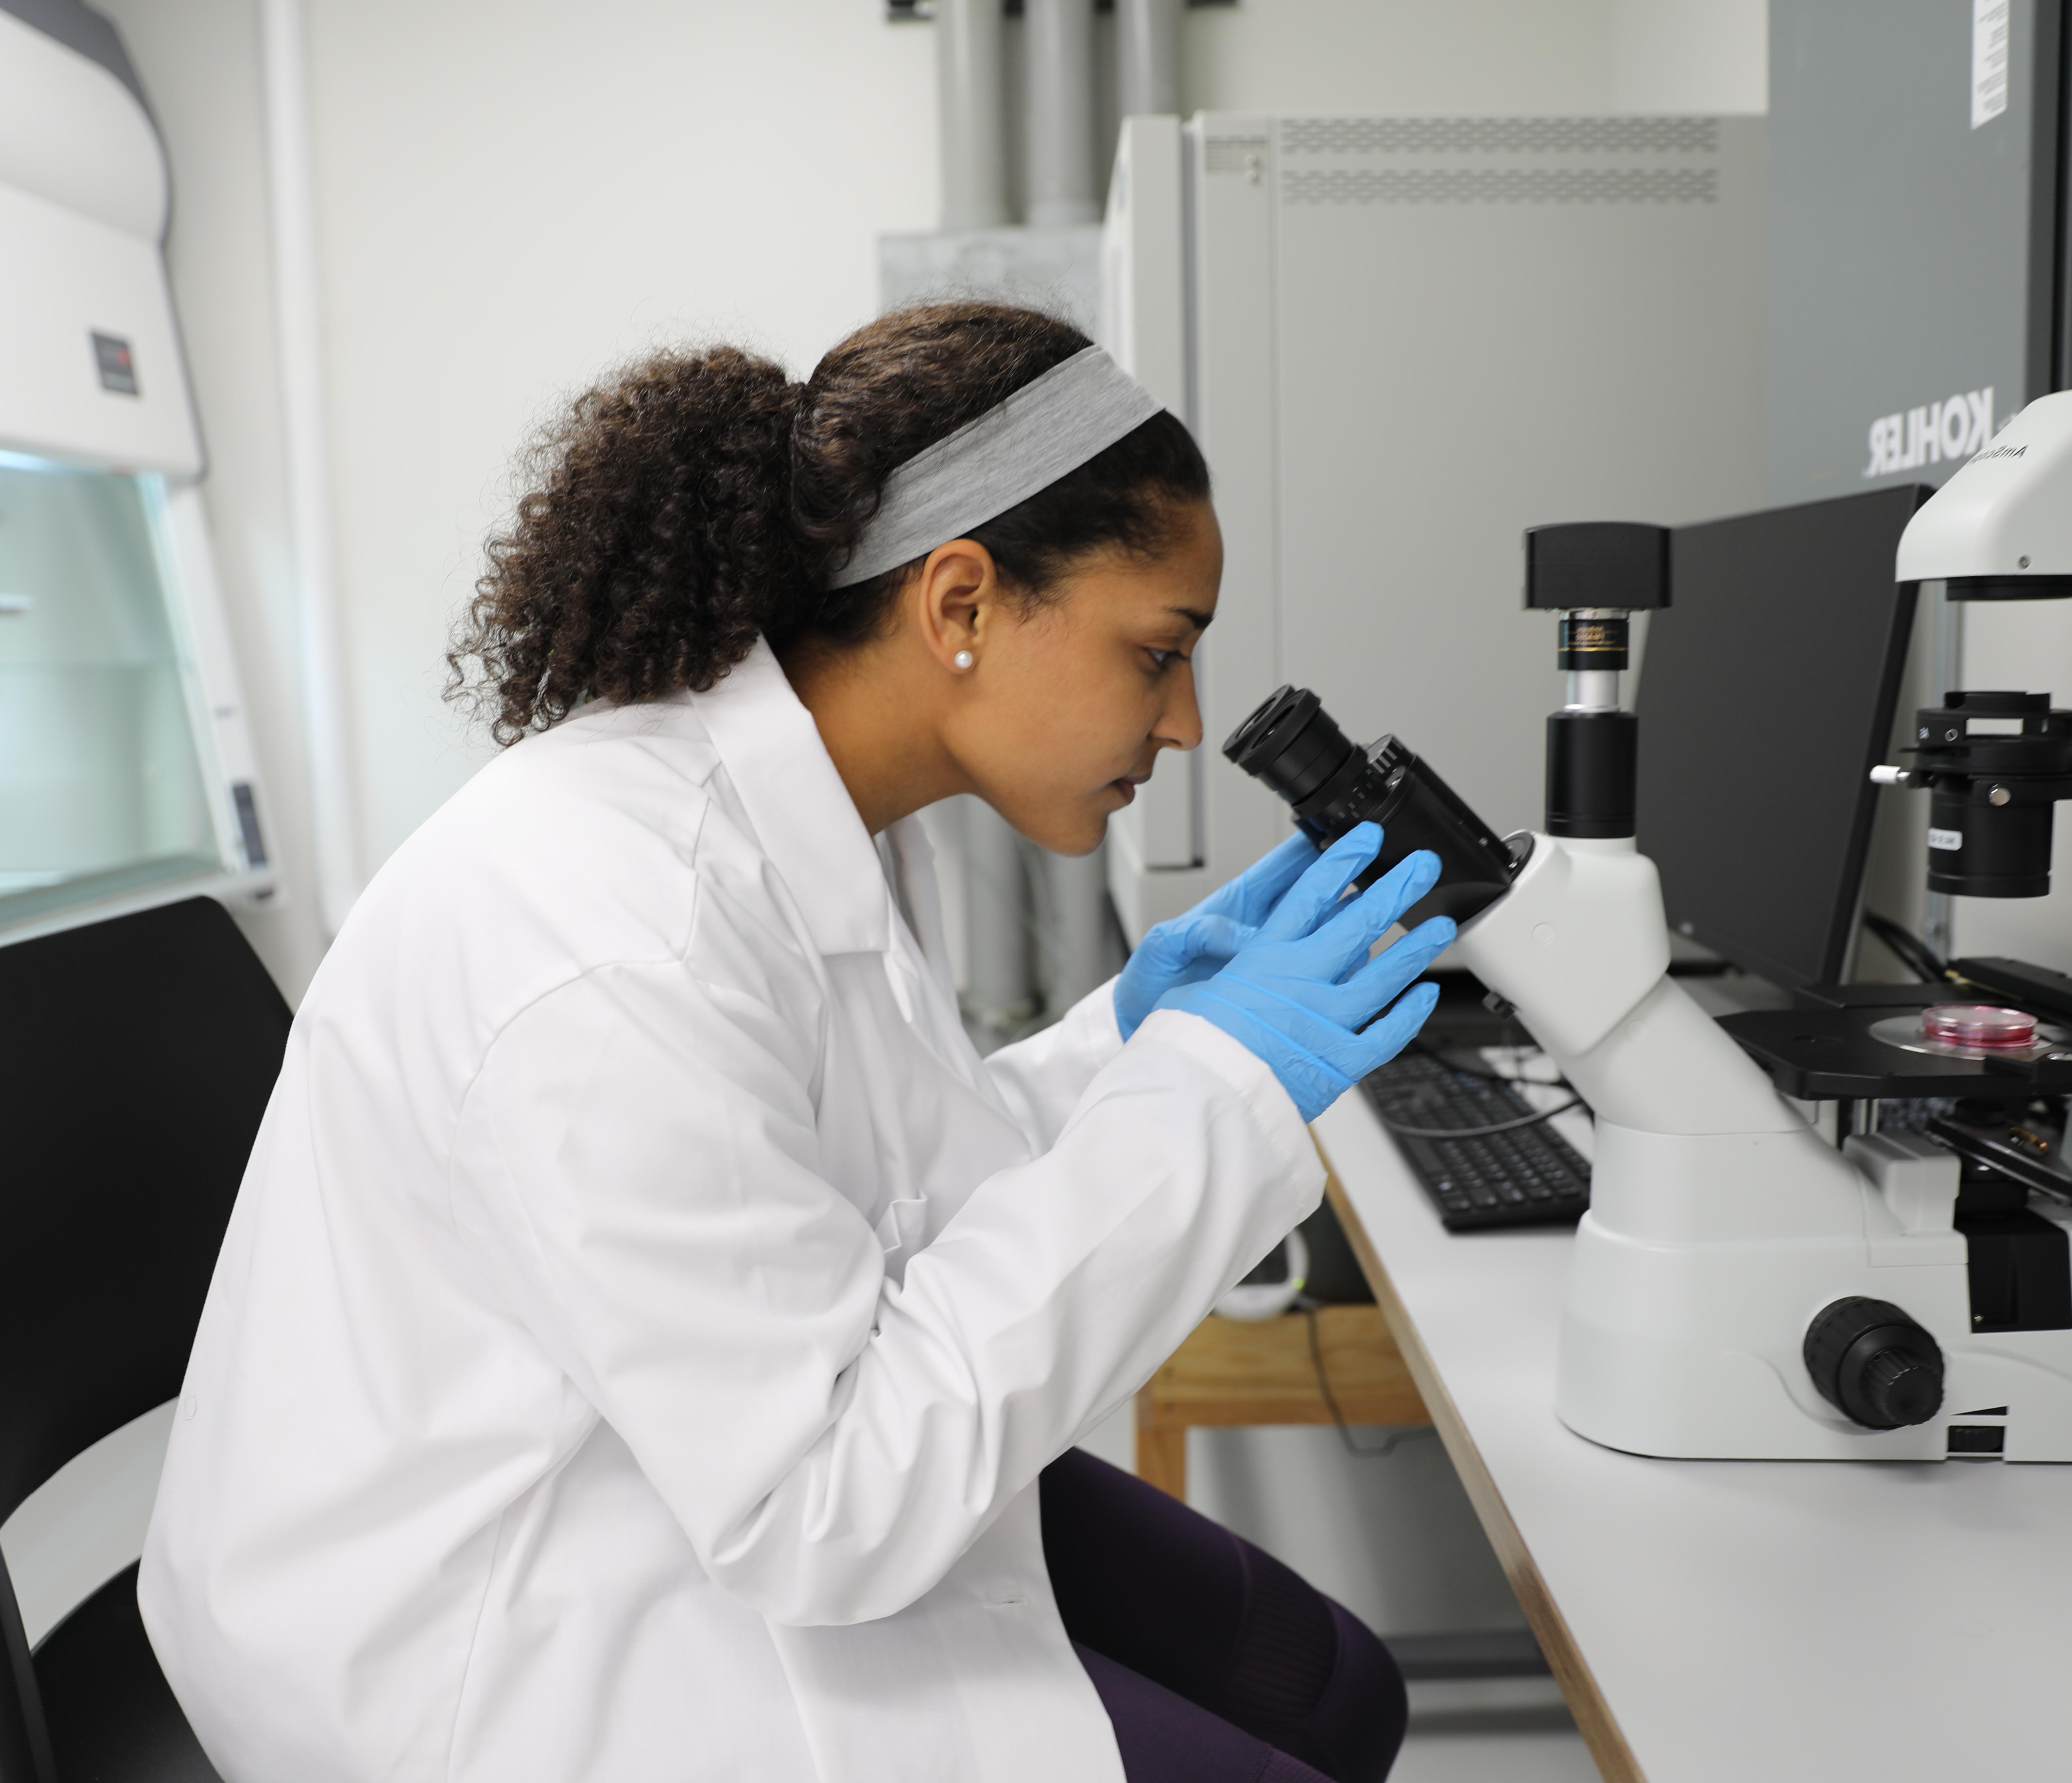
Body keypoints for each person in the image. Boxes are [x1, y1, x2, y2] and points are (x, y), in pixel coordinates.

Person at [140, 301, 1451, 1783]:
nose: (1189, 725)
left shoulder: (826, 816)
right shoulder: (615, 930)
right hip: (485, 1643)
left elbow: (871, 1202)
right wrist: (1216, 1094)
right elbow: (824, 1508)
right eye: (1159, 653)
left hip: (688, 1447)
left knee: (1333, 1687)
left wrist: (1126, 1048)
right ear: (958, 604)